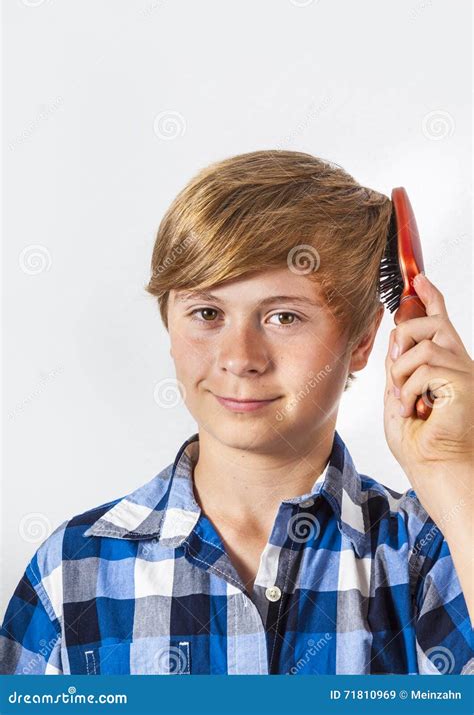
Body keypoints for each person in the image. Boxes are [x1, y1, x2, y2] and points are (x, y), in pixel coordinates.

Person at [1, 150, 472, 675]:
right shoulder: (71, 572)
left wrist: (451, 467)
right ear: (170, 328)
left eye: (284, 316)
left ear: (362, 341)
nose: (240, 358)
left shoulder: (433, 555)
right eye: (207, 313)